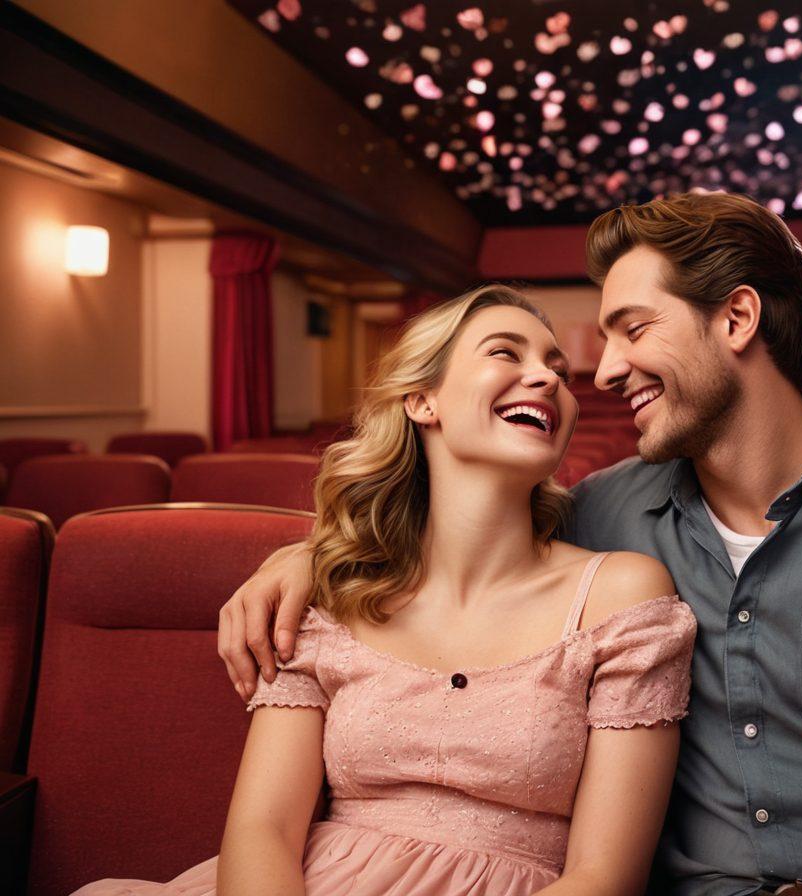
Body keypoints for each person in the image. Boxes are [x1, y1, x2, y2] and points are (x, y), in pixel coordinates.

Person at [221, 193, 802, 896]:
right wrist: (305, 556)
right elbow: (452, 553)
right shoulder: (604, 520)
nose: (604, 372)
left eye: (633, 330)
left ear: (735, 320)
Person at [77, 285, 696, 896]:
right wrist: (309, 557)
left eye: (557, 369)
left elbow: (605, 876)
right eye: (506, 353)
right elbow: (262, 829)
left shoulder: (620, 594)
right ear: (423, 400)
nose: (548, 379)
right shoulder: (330, 593)